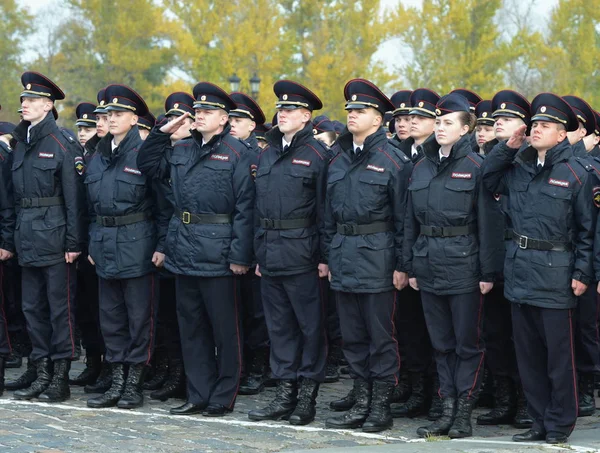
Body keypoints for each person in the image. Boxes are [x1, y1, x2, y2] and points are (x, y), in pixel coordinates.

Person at [482, 93, 595, 444]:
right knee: (527, 355)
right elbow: (487, 181)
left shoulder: (580, 173)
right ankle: (539, 420)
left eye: (545, 125)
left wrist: (583, 273)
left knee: (558, 357)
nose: (536, 129)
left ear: (563, 134)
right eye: (534, 125)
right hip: (520, 271)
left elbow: (589, 229)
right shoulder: (519, 167)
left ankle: (560, 423)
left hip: (557, 273)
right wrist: (506, 147)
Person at [137, 82, 255, 417]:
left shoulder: (237, 152)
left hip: (218, 251)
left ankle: (223, 395)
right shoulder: (183, 148)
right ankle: (198, 392)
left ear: (224, 119)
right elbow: (147, 165)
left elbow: (246, 209)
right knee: (191, 328)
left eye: (207, 112)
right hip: (183, 247)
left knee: (224, 330)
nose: (200, 116)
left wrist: (239, 256)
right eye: (197, 111)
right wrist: (163, 133)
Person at [404, 93, 501, 438]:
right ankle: (446, 409)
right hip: (429, 264)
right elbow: (409, 223)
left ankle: (463, 412)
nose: (441, 128)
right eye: (439, 122)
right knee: (441, 343)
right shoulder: (421, 167)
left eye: (448, 123)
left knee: (467, 344)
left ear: (465, 130)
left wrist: (487, 273)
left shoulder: (477, 167)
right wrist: (411, 265)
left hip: (464, 267)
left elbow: (488, 226)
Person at [322, 79, 412, 433]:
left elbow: (405, 219)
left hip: (378, 257)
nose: (353, 115)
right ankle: (360, 400)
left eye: (360, 111)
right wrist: (328, 255)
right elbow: (328, 215)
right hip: (344, 255)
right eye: (350, 111)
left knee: (380, 336)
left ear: (378, 120)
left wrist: (403, 265)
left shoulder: (393, 160)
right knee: (353, 335)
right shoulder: (340, 159)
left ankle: (380, 406)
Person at [247, 80, 328, 426]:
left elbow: (326, 211)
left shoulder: (319, 154)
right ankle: (285, 391)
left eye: (290, 109)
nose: (282, 114)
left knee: (309, 328)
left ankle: (307, 395)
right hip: (271, 252)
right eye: (280, 109)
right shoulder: (267, 152)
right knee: (279, 328)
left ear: (306, 116)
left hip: (303, 254)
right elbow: (256, 207)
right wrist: (258, 253)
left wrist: (323, 257)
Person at [85, 84, 165, 410]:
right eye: (107, 114)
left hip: (137, 244)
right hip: (104, 245)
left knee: (138, 318)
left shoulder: (143, 154)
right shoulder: (98, 156)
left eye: (118, 114)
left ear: (134, 119)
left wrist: (161, 245)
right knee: (111, 319)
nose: (111, 119)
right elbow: (90, 207)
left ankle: (134, 383)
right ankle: (116, 379)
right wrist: (91, 240)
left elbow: (163, 205)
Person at [11, 71, 86, 403]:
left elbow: (74, 200)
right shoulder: (20, 143)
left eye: (30, 101)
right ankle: (41, 371)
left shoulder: (62, 143)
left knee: (60, 310)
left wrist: (73, 243)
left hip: (55, 240)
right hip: (26, 237)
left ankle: (60, 376)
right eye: (23, 100)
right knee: (32, 308)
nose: (23, 105)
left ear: (47, 106)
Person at [476, 90, 534, 430]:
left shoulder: (528, 161)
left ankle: (527, 400)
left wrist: (512, 149)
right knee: (494, 335)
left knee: (521, 338)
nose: (499, 123)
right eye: (497, 119)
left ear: (524, 128)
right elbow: (487, 177)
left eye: (508, 119)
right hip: (491, 260)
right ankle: (504, 399)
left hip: (521, 260)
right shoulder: (491, 158)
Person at [391, 88, 441, 422]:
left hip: (437, 254)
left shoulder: (436, 157)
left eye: (418, 117)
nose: (409, 122)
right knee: (409, 328)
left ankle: (438, 396)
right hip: (408, 253)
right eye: (406, 117)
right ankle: (416, 389)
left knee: (437, 332)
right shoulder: (401, 153)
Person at [144, 92, 195, 402]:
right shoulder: (166, 157)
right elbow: (162, 210)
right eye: (172, 119)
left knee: (192, 318)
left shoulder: (197, 155)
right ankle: (175, 371)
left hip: (193, 245)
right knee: (168, 316)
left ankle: (191, 375)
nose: (177, 124)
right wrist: (160, 134)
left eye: (184, 119)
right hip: (169, 242)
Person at [227, 91, 271, 395]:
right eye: (229, 118)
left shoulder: (258, 155)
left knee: (256, 311)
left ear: (252, 125)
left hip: (255, 241)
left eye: (239, 119)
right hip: (228, 239)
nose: (232, 123)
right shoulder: (229, 151)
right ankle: (240, 365)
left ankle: (259, 366)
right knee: (236, 310)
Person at [562, 94, 600, 416]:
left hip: (585, 259)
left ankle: (587, 385)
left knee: (586, 328)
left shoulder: (593, 168)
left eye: (574, 127)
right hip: (556, 260)